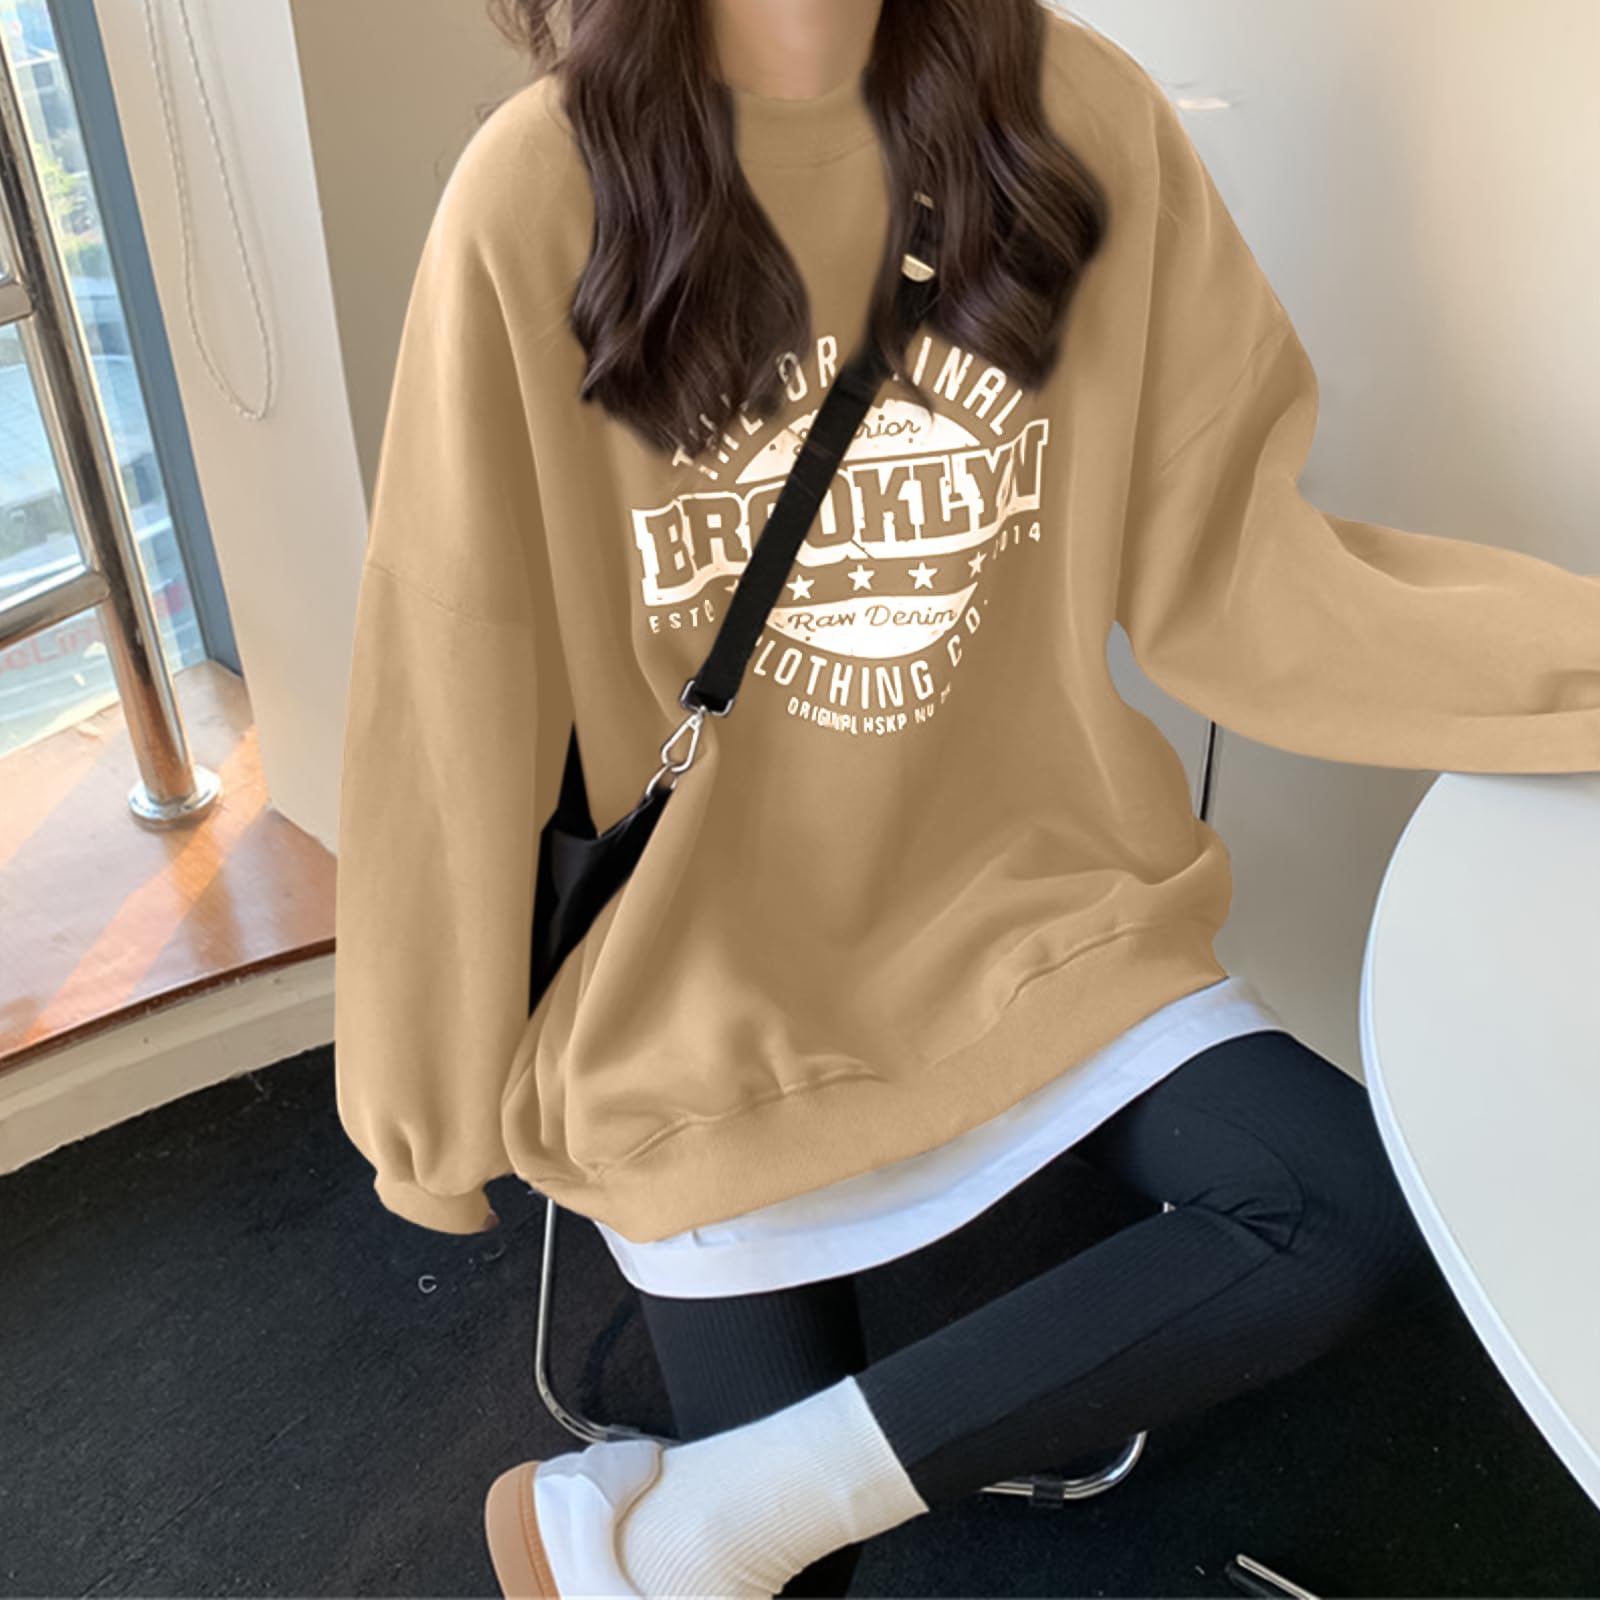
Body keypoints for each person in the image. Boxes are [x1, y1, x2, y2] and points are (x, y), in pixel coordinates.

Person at [331, 0, 1600, 1595]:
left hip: (1037, 919)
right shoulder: (539, 192)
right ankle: (735, 1520)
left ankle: (707, 1515)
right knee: (802, 1585)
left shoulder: (1078, 116)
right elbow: (454, 672)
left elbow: (1244, 573)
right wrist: (426, 1108)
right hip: (700, 1003)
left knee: (1336, 1203)